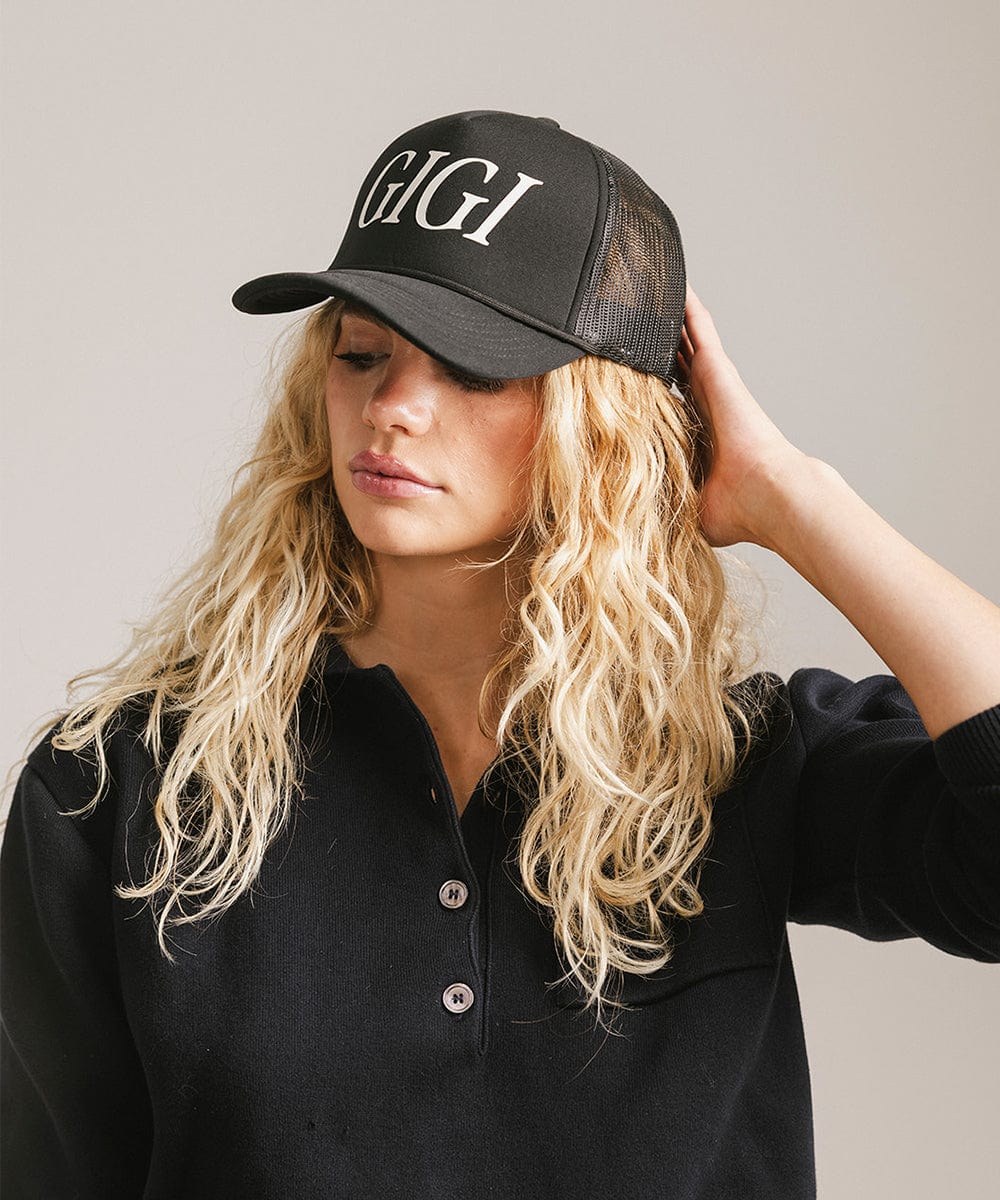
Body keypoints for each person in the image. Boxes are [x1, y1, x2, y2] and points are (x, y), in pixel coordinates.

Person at [2, 109, 998, 1200]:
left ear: (599, 422)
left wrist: (794, 497)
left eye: (474, 373)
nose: (391, 410)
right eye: (362, 354)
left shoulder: (724, 764)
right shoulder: (116, 786)